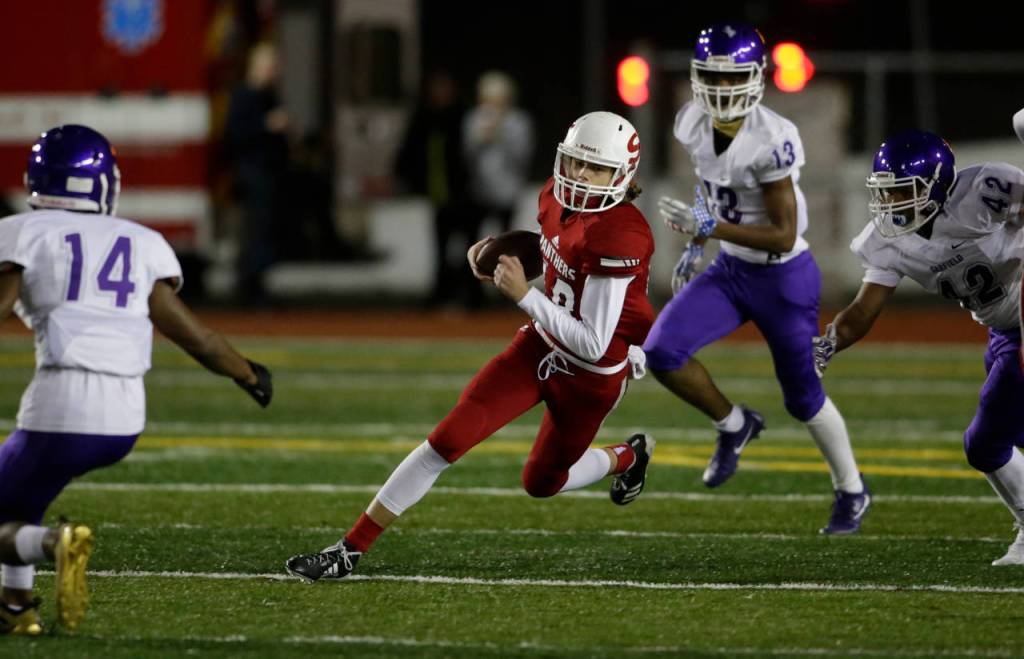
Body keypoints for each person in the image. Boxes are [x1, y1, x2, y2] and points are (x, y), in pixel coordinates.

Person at [285, 111, 656, 581]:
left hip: (591, 374)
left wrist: (524, 294)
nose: (580, 176)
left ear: (622, 176)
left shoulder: (622, 232)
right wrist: (500, 257)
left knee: (542, 483)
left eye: (595, 169)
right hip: (538, 348)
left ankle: (628, 457)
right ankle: (348, 550)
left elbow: (591, 341)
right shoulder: (554, 196)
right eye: (576, 162)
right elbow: (556, 252)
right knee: (447, 439)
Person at [0, 125, 273, 635]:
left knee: (23, 486)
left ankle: (53, 545)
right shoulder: (141, 241)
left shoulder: (22, 232)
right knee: (21, 496)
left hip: (61, 406)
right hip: (124, 417)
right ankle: (16, 607)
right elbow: (196, 337)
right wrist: (249, 373)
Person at [643, 23, 870, 534]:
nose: (722, 91)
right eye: (713, 79)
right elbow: (712, 188)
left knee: (803, 397)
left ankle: (852, 489)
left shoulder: (771, 139)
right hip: (729, 268)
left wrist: (710, 228)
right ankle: (735, 424)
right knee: (662, 352)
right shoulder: (692, 123)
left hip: (784, 279)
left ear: (755, 78)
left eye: (734, 79)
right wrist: (701, 243)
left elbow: (785, 235)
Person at [814, 129, 1024, 564]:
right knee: (999, 439)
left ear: (940, 182)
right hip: (1002, 330)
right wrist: (828, 343)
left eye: (903, 191)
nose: (892, 204)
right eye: (886, 193)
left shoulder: (984, 189)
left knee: (984, 441)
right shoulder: (886, 241)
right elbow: (862, 311)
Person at [394, 71, 472, 309]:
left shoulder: (463, 118)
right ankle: (442, 293)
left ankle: (469, 296)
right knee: (441, 246)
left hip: (463, 193)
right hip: (440, 193)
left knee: (468, 246)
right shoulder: (425, 118)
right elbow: (410, 151)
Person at [462, 71, 535, 307]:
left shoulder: (518, 122)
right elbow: (466, 155)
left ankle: (507, 294)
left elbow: (522, 156)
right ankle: (475, 296)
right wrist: (482, 138)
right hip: (478, 192)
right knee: (476, 246)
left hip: (508, 192)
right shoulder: (474, 119)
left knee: (507, 246)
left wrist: (501, 134)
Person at [225, 42, 290, 305]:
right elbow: (235, 135)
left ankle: (257, 284)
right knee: (254, 232)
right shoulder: (244, 96)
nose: (274, 72)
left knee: (263, 230)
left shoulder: (267, 95)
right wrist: (267, 126)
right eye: (270, 66)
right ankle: (250, 289)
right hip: (252, 173)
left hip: (267, 171)